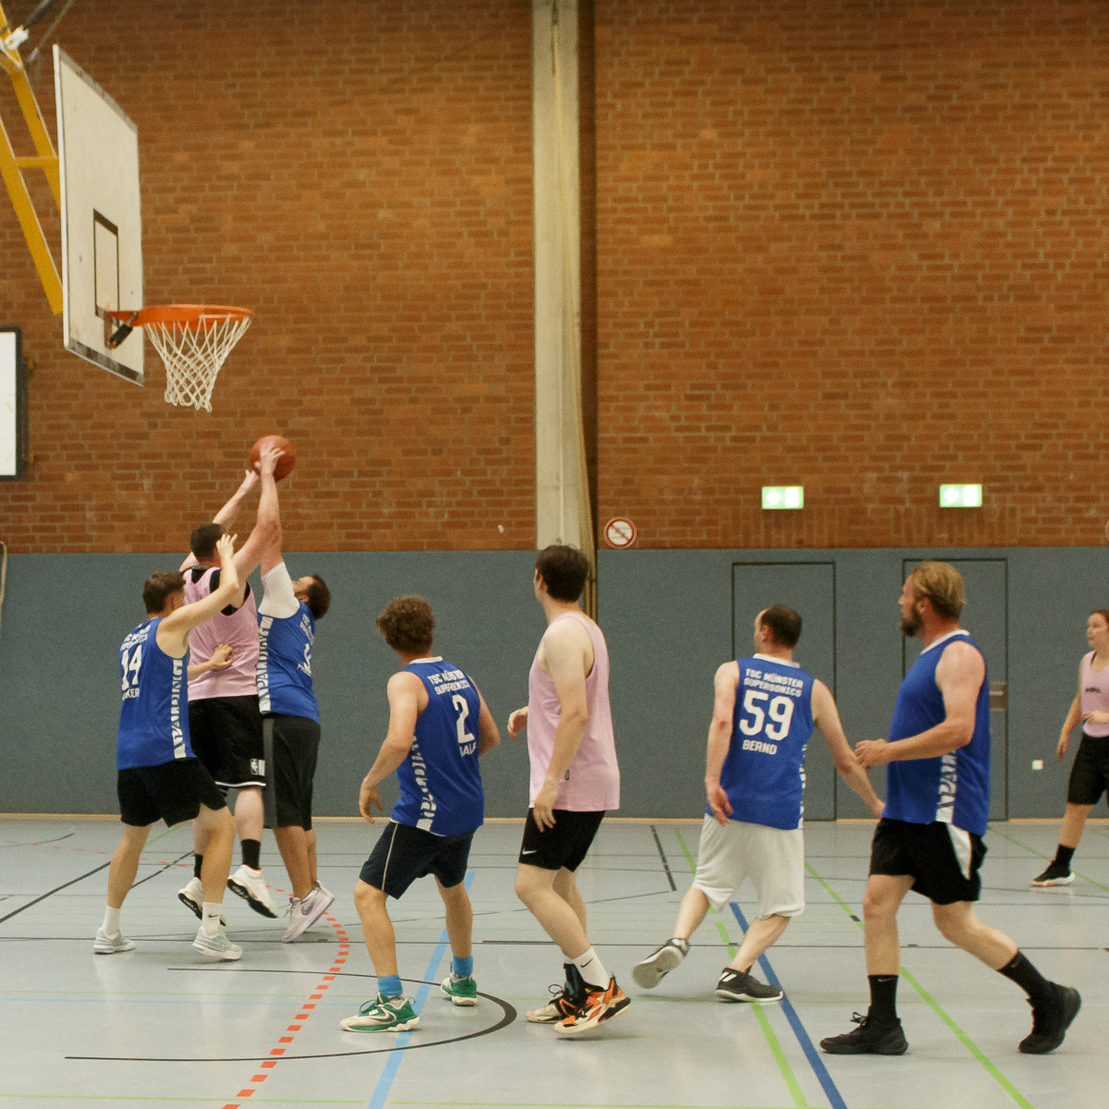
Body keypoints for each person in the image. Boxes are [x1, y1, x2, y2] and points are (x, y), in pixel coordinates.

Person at [821, 562, 1081, 1057]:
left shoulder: (959, 654)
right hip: (905, 810)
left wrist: (888, 750)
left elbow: (959, 730)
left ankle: (1050, 998)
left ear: (924, 603)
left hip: (944, 809)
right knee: (877, 904)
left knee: (955, 923)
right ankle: (883, 1024)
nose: (899, 603)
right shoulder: (929, 656)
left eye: (904, 595)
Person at [633, 605, 885, 1002]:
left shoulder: (732, 671)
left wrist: (711, 780)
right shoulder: (813, 690)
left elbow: (721, 723)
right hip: (779, 811)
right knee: (782, 906)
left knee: (706, 883)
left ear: (765, 632)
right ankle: (737, 972)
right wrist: (874, 802)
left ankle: (679, 940)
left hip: (728, 804)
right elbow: (844, 759)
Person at [341, 596, 499, 1033]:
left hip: (426, 814)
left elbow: (397, 742)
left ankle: (391, 1001)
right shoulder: (459, 674)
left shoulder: (405, 682)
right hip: (467, 808)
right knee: (452, 887)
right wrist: (453, 767)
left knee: (367, 895)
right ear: (431, 630)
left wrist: (369, 781)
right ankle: (463, 979)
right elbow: (489, 736)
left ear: (390, 640)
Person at [96, 534, 244, 960]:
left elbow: (164, 681)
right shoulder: (173, 624)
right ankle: (211, 930)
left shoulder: (134, 638)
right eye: (184, 597)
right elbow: (230, 591)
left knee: (132, 839)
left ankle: (109, 930)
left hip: (130, 756)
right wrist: (229, 556)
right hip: (168, 751)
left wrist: (207, 666)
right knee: (222, 827)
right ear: (176, 601)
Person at [509, 545, 630, 1035]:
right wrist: (532, 711)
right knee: (560, 883)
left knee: (530, 886)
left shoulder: (560, 633)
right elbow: (569, 699)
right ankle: (579, 992)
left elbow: (576, 713)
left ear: (539, 579)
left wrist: (550, 783)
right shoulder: (586, 628)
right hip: (593, 775)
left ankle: (601, 987)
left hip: (570, 783)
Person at [176, 446, 282, 923]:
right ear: (221, 549)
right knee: (251, 784)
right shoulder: (230, 584)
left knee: (207, 796)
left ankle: (199, 879)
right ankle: (251, 868)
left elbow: (212, 530)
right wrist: (268, 478)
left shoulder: (186, 576)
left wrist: (244, 486)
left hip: (197, 701)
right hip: (236, 696)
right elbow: (268, 531)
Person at [256, 513, 334, 940]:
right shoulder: (300, 622)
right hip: (305, 718)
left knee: (283, 814)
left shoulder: (287, 602)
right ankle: (312, 891)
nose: (292, 577)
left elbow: (270, 543)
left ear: (303, 596)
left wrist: (266, 479)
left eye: (298, 579)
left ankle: (303, 896)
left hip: (280, 713)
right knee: (301, 815)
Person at [1031, 609, 1109, 887]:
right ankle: (1061, 866)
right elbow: (1081, 699)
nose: (1090, 630)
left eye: (1096, 626)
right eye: (1088, 626)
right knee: (1076, 805)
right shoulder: (1086, 662)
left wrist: (1106, 717)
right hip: (1091, 746)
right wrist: (1066, 729)